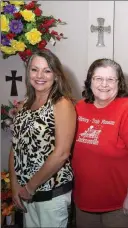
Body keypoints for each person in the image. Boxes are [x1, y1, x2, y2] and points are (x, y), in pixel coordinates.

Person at [72, 58, 128, 228]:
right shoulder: (78, 107)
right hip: (85, 201)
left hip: (121, 204)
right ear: (90, 80)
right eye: (98, 78)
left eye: (110, 79)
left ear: (119, 82)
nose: (104, 84)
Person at [9, 49, 76, 227]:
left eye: (47, 70)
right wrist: (15, 185)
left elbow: (61, 153)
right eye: (34, 69)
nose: (40, 75)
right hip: (26, 193)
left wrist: (30, 187)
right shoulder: (24, 104)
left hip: (51, 193)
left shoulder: (61, 104)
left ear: (56, 75)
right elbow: (16, 147)